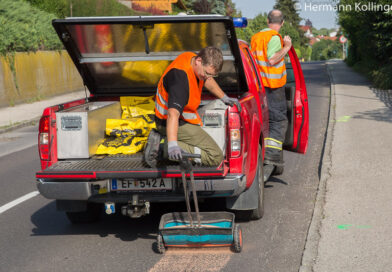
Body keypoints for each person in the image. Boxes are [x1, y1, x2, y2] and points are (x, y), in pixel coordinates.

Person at [144, 46, 241, 167]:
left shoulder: (191, 57)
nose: (207, 77)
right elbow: (172, 114)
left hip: (182, 119)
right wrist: (173, 145)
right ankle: (162, 146)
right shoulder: (180, 80)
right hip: (171, 122)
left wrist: (224, 97)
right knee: (215, 156)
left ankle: (166, 141)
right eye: (206, 73)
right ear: (199, 61)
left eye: (211, 75)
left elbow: (207, 79)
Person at [251, 9, 291, 167]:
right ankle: (272, 155)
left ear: (268, 21)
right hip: (273, 88)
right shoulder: (274, 37)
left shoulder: (256, 37)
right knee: (278, 120)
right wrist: (286, 47)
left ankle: (263, 152)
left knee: (264, 120)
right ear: (282, 23)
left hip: (258, 87)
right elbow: (273, 60)